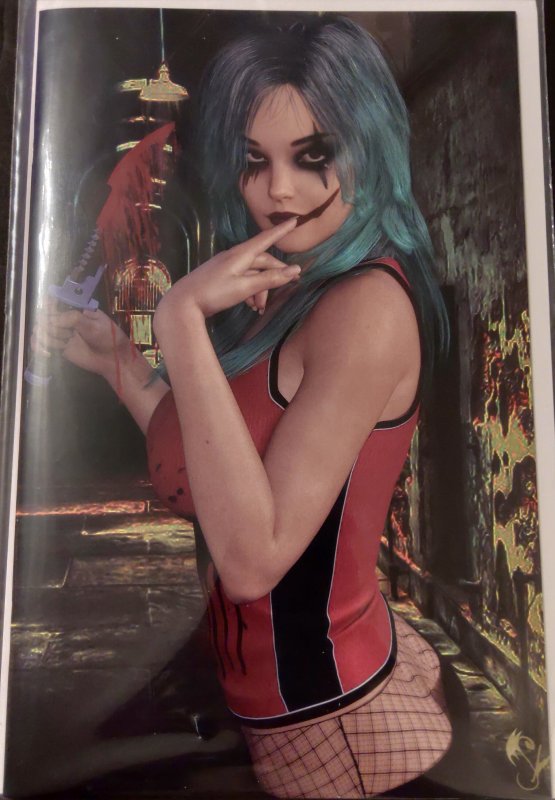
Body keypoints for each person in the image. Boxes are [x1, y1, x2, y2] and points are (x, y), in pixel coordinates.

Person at [36, 15, 452, 798]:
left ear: (370, 147)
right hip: (280, 698)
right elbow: (220, 460)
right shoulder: (292, 281)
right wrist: (121, 363)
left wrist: (179, 319)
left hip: (329, 717)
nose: (276, 190)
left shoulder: (364, 307)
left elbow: (254, 559)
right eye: (254, 161)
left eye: (313, 156)